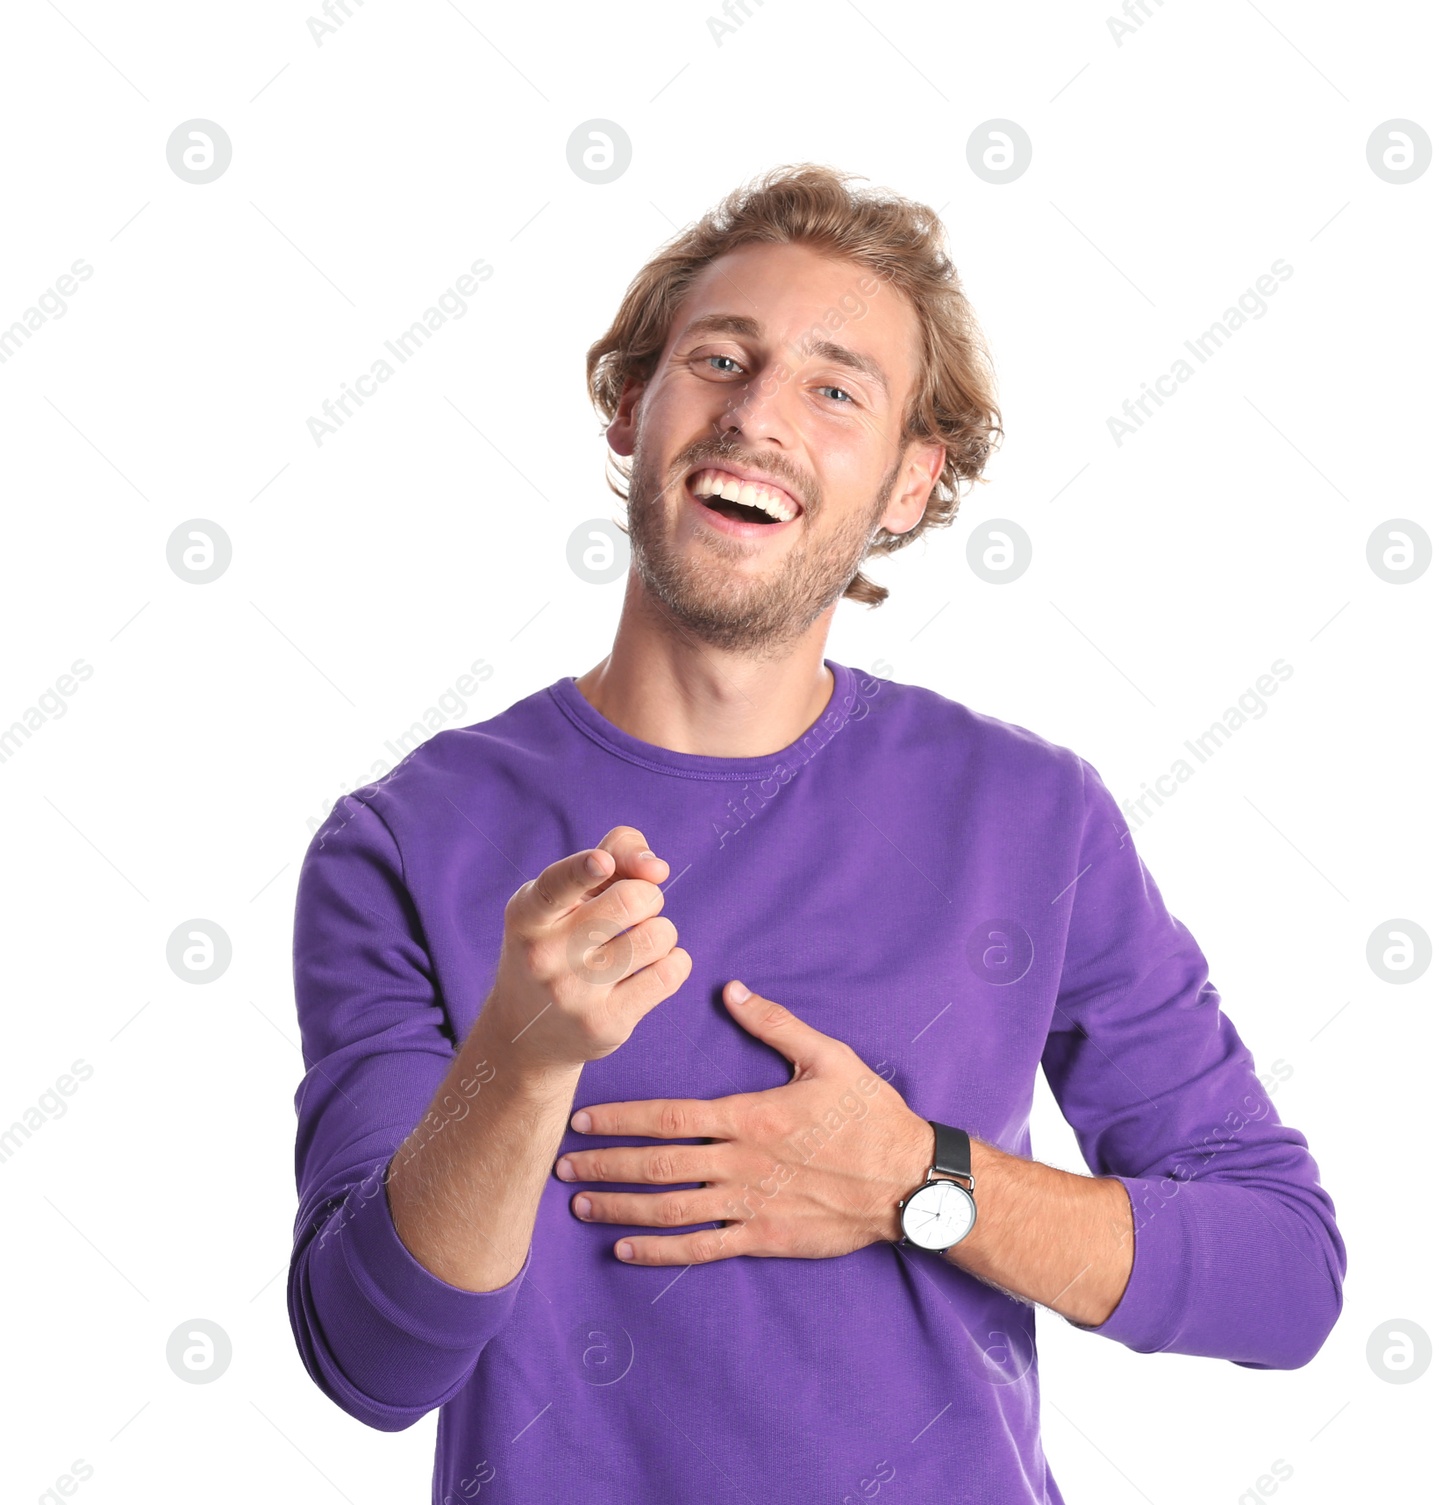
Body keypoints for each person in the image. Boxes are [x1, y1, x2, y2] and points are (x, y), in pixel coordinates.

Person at [288, 163, 1345, 1504]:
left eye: (835, 388)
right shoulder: (404, 840)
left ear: (911, 483)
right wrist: (520, 1053)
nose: (758, 416)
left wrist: (918, 1177)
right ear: (630, 408)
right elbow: (372, 1361)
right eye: (719, 359)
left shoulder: (1033, 815)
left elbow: (1283, 1275)